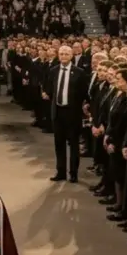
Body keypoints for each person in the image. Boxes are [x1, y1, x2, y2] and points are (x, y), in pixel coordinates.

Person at [44, 45, 89, 182]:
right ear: (58, 56)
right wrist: (46, 94)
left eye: (66, 54)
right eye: (61, 54)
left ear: (71, 56)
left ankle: (73, 173)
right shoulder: (53, 71)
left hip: (73, 113)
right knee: (59, 144)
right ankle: (61, 172)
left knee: (73, 144)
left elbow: (83, 93)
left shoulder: (80, 72)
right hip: (57, 112)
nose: (63, 56)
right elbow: (49, 88)